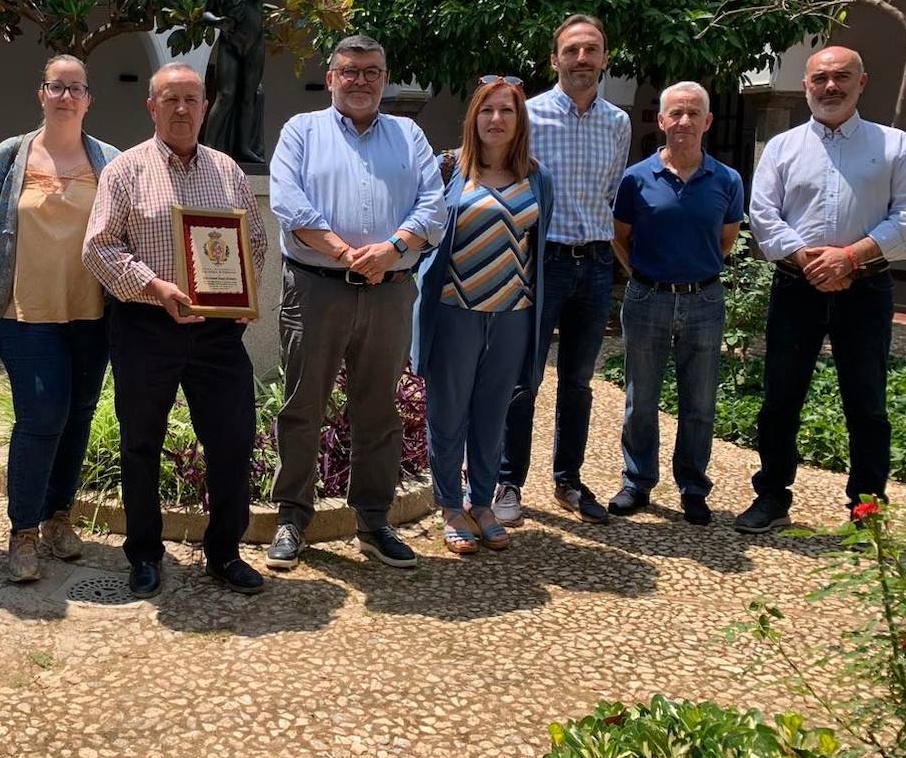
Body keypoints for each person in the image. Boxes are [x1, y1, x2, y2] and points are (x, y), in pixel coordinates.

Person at [82, 62, 268, 598]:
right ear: (152, 107)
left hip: (216, 332)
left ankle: (224, 552)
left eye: (191, 99)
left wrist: (239, 294)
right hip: (146, 326)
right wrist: (154, 287)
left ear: (206, 107)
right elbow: (99, 248)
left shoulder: (227, 170)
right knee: (141, 442)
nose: (182, 109)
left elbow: (254, 240)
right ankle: (144, 553)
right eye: (171, 99)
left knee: (232, 440)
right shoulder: (125, 171)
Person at [266, 34, 447, 570]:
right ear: (331, 78)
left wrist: (391, 249)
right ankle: (292, 519)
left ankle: (373, 520)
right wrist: (347, 254)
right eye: (350, 71)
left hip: (389, 292)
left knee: (379, 411)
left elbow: (433, 205)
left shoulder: (409, 136)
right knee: (303, 406)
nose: (361, 81)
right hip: (316, 288)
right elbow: (289, 204)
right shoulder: (301, 131)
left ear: (384, 79)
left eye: (371, 72)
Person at [739, 46, 906, 532]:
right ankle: (772, 497)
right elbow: (763, 214)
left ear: (861, 83)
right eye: (820, 78)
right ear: (805, 85)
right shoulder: (783, 147)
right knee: (780, 398)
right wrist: (809, 260)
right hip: (795, 287)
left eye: (841, 77)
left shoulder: (893, 145)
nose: (830, 87)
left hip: (866, 289)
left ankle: (867, 508)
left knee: (867, 402)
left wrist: (851, 256)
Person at [496, 14, 631, 527]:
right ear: (554, 59)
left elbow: (611, 192)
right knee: (522, 378)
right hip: (540, 260)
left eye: (591, 49)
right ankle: (509, 481)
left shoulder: (617, 123)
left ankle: (568, 480)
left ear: (604, 58)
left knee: (578, 381)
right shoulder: (527, 116)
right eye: (571, 50)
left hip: (595, 264)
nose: (581, 59)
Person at [0, 55, 119, 582]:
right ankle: (23, 529)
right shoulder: (9, 157)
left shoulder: (110, 161)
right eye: (56, 87)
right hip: (25, 312)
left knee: (79, 413)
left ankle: (58, 517)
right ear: (41, 94)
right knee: (42, 414)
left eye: (76, 88)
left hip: (92, 312)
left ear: (89, 99)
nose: (66, 96)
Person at [413, 76, 553, 555]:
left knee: (494, 415)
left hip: (512, 315)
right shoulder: (448, 168)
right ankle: (451, 507)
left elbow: (537, 249)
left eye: (507, 111)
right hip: (456, 311)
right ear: (473, 117)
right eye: (487, 110)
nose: (496, 119)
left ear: (520, 120)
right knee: (448, 413)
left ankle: (483, 503)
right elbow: (424, 236)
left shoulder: (537, 177)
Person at [609, 82, 744, 526]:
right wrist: (643, 275)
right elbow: (620, 236)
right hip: (648, 297)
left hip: (704, 299)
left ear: (707, 122)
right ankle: (637, 482)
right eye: (676, 113)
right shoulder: (635, 178)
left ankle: (693, 486)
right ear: (662, 120)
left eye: (694, 113)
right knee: (641, 399)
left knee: (700, 401)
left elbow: (726, 241)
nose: (684, 121)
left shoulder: (727, 180)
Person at [200, 0, 300, 163]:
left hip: (254, 45)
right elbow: (206, 13)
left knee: (249, 97)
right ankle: (209, 146)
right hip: (230, 45)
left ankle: (244, 147)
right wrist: (218, 21)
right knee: (225, 95)